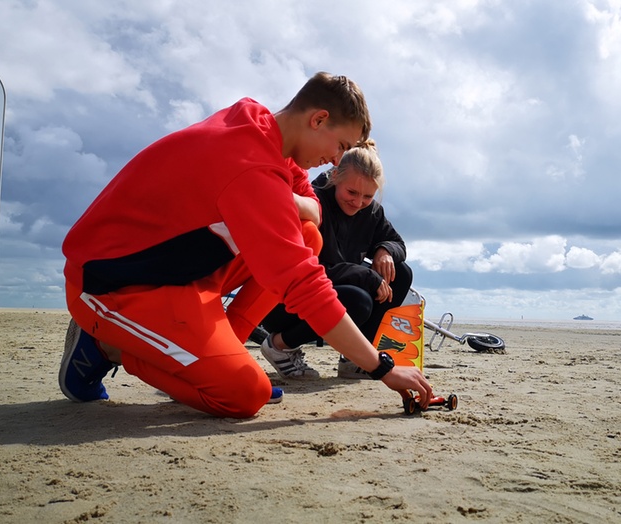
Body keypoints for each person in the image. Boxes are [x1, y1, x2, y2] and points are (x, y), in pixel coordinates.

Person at [58, 72, 433, 418]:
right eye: (341, 145)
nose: (335, 160)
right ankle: (103, 346)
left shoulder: (259, 124)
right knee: (242, 395)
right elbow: (306, 288)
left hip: (182, 273)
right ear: (318, 119)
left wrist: (283, 198)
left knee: (306, 232)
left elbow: (313, 209)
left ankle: (220, 357)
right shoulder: (250, 167)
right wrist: (382, 367)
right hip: (111, 285)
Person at [257, 140, 413, 379]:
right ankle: (279, 346)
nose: (358, 202)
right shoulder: (314, 202)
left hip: (335, 289)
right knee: (358, 300)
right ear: (336, 176)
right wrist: (367, 276)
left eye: (368, 196)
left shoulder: (370, 212)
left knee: (400, 273)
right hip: (286, 303)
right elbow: (314, 268)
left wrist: (385, 250)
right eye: (352, 192)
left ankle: (355, 359)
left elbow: (397, 243)